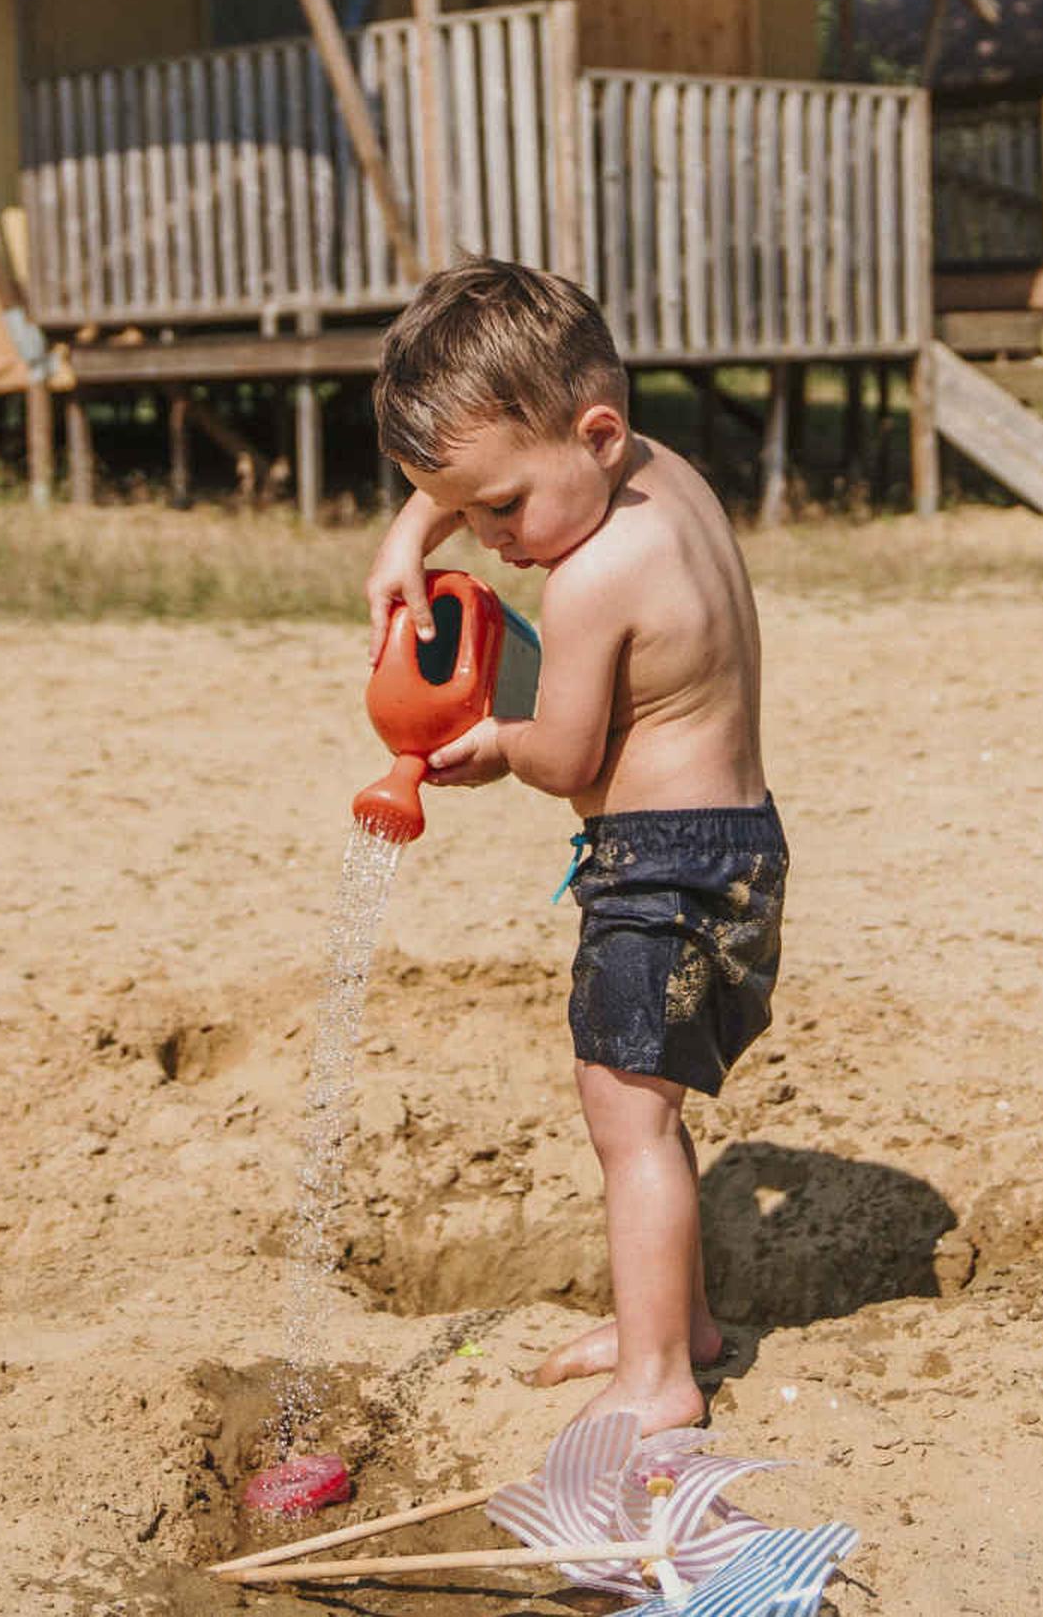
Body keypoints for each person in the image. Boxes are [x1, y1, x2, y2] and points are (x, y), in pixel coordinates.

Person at [363, 258, 783, 1436]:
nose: (489, 537)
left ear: (594, 434)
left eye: (498, 510)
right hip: (736, 846)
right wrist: (414, 524)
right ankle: (675, 1323)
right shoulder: (655, 475)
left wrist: (494, 738)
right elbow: (505, 465)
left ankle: (659, 1379)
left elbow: (565, 753)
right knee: (647, 1097)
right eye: (465, 509)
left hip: (662, 864)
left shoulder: (594, 579)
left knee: (625, 1114)